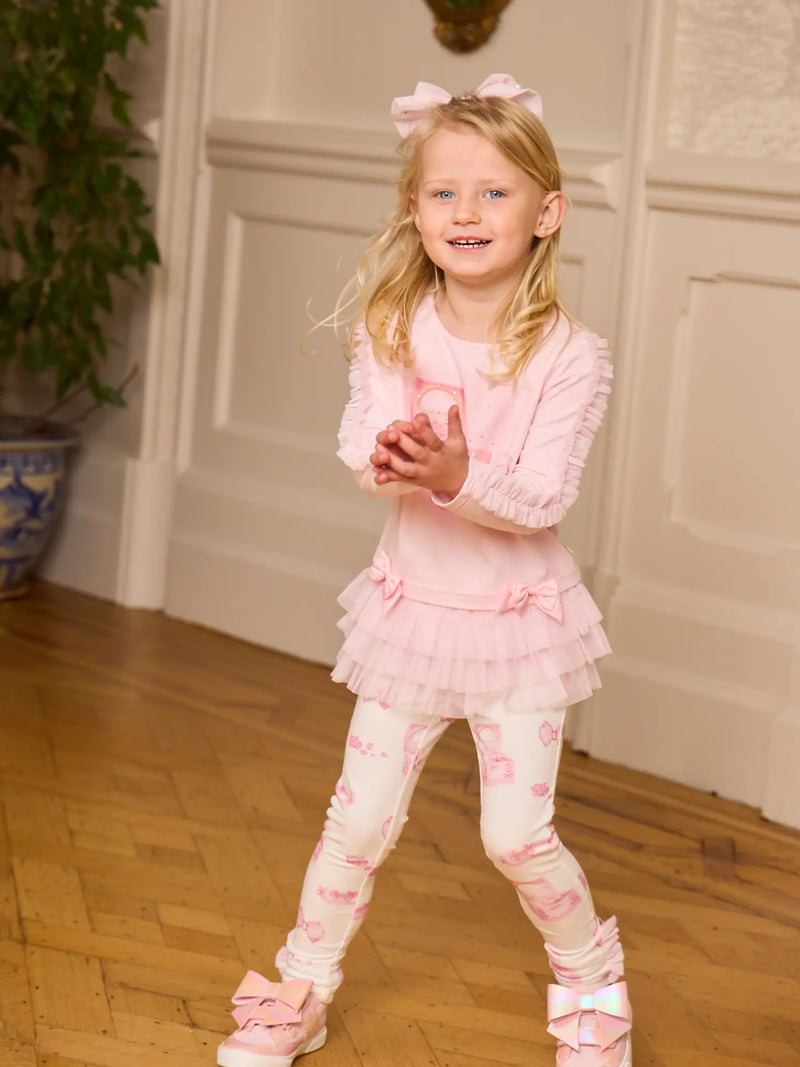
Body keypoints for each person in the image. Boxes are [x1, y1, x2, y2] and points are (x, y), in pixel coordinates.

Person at [217, 73, 632, 1067]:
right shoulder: (390, 328)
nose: (466, 211)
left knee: (514, 834)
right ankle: (302, 986)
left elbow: (539, 497)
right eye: (444, 191)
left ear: (547, 213)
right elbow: (361, 447)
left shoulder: (569, 355)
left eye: (494, 191)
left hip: (519, 623)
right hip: (411, 614)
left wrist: (454, 473)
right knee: (357, 816)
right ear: (412, 209)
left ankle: (587, 982)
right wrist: (392, 456)